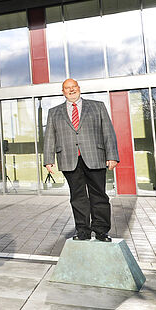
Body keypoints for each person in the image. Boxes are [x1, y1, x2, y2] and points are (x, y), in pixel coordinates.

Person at [43, 78, 119, 242]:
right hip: (69, 159)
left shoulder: (97, 106)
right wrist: (48, 159)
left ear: (79, 88)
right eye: (67, 88)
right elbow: (49, 137)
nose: (71, 90)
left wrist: (112, 155)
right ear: (63, 92)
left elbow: (108, 132)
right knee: (77, 197)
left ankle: (101, 231)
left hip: (95, 157)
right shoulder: (54, 112)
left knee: (99, 195)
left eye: (73, 87)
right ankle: (82, 231)